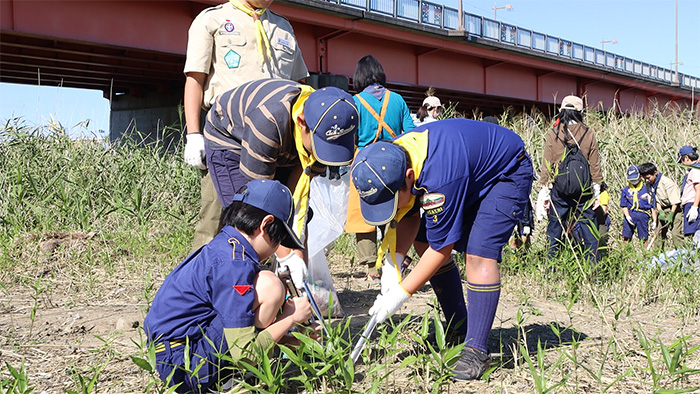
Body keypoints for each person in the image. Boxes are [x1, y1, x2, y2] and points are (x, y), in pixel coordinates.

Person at [351, 118, 533, 380]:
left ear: (409, 178)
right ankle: (459, 326)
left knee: (478, 252)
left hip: (505, 173)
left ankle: (477, 351)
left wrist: (400, 294)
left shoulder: (440, 177)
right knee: (422, 240)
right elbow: (410, 213)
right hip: (469, 173)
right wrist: (395, 262)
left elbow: (442, 249)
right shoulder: (397, 156)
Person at [143, 179, 315, 393]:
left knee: (266, 284)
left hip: (176, 354)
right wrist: (290, 317)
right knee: (270, 286)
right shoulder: (234, 264)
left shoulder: (225, 247)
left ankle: (230, 375)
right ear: (265, 224)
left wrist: (290, 339)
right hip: (185, 367)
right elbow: (244, 354)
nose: (275, 249)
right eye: (278, 240)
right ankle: (230, 379)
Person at [203, 78, 358, 289]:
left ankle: (286, 290)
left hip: (287, 143)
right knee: (245, 223)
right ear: (302, 122)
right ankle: (233, 289)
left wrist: (299, 256)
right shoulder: (268, 119)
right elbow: (260, 203)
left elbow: (298, 203)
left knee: (285, 222)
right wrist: (288, 257)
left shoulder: (328, 125)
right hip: (230, 139)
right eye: (322, 145)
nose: (325, 154)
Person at [183, 0, 309, 252]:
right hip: (227, 135)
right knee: (217, 213)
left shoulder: (283, 26)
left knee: (275, 212)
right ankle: (202, 279)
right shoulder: (212, 20)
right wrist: (193, 133)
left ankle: (271, 278)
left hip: (276, 137)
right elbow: (195, 79)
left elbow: (299, 84)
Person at [346, 55, 415, 280]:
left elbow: (350, 138)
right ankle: (392, 260)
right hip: (393, 161)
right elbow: (410, 132)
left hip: (364, 162)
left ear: (359, 77)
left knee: (364, 214)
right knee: (392, 210)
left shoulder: (355, 102)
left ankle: (370, 268)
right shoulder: (397, 100)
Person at [536, 95, 603, 263]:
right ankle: (592, 269)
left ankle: (551, 268)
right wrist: (596, 190)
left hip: (560, 189)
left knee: (554, 230)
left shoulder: (554, 132)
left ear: (562, 111)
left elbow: (548, 162)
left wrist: (544, 189)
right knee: (589, 230)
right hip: (584, 191)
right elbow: (595, 164)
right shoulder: (588, 133)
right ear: (581, 112)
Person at [639, 162, 683, 249]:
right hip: (662, 209)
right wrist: (660, 211)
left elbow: (675, 201)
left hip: (674, 208)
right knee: (658, 234)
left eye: (648, 178)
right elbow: (655, 199)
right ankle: (657, 255)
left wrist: (671, 214)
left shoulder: (666, 182)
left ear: (655, 173)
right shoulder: (649, 185)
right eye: (645, 179)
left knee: (675, 233)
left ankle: (683, 254)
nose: (647, 180)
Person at [620, 165, 654, 247]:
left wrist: (654, 219)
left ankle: (645, 254)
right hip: (631, 213)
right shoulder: (626, 190)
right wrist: (627, 216)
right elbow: (623, 205)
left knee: (643, 237)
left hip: (643, 213)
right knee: (626, 236)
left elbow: (653, 205)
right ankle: (624, 255)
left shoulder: (647, 188)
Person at [679, 145, 700, 248]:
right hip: (690, 204)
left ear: (686, 157)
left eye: (682, 160)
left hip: (693, 204)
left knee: (696, 233)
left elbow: (698, 189)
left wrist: (695, 207)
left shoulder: (695, 170)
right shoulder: (692, 170)